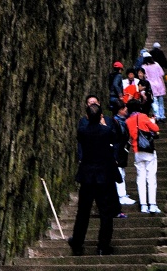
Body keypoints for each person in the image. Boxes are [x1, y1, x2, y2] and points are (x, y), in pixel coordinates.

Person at [69, 94, 121, 255]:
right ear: (100, 116)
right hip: (104, 177)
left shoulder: (82, 132)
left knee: (83, 212)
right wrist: (105, 124)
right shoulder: (106, 131)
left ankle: (77, 243)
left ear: (86, 116)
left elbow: (82, 137)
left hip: (87, 176)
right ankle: (103, 245)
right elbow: (117, 136)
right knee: (106, 212)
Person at [125, 99, 161, 214]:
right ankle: (153, 204)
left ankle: (143, 205)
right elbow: (156, 129)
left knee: (140, 178)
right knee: (151, 178)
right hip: (148, 150)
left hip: (137, 151)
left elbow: (129, 135)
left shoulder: (128, 121)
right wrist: (152, 121)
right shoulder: (144, 117)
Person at [111, 99, 135, 206]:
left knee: (122, 172)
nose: (126, 109)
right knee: (119, 173)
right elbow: (116, 139)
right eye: (123, 108)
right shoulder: (115, 122)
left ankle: (122, 194)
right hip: (117, 151)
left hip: (121, 150)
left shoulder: (121, 121)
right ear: (119, 110)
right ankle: (121, 195)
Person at [144, 54, 167, 120]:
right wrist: (164, 85)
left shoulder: (144, 66)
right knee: (161, 102)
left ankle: (157, 115)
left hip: (151, 85)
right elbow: (161, 75)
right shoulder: (156, 64)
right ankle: (162, 115)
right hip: (159, 84)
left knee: (154, 101)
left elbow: (145, 76)